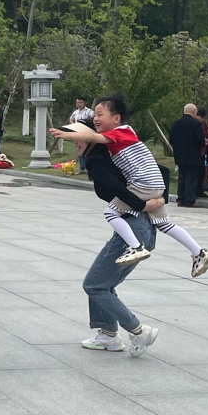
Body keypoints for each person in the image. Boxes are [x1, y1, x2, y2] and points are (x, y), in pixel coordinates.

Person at [51, 94, 208, 277]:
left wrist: (66, 135)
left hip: (142, 183)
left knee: (110, 213)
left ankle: (135, 247)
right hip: (155, 183)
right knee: (164, 224)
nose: (96, 118)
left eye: (100, 114)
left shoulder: (117, 134)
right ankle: (199, 252)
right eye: (95, 115)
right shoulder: (126, 133)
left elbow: (93, 137)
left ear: (116, 118)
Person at [65, 117, 166, 353]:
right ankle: (108, 335)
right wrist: (159, 198)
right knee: (104, 284)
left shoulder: (98, 159)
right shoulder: (111, 155)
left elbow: (119, 188)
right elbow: (161, 171)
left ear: (91, 137)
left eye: (78, 137)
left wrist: (143, 204)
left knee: (94, 285)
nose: (75, 142)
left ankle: (139, 331)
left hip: (134, 229)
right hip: (143, 230)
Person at [168, 103, 207, 207]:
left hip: (179, 154)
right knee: (191, 178)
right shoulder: (195, 124)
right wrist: (204, 142)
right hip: (192, 154)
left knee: (182, 177)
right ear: (194, 111)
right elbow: (199, 139)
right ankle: (189, 200)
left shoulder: (176, 123)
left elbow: (171, 139)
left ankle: (180, 199)